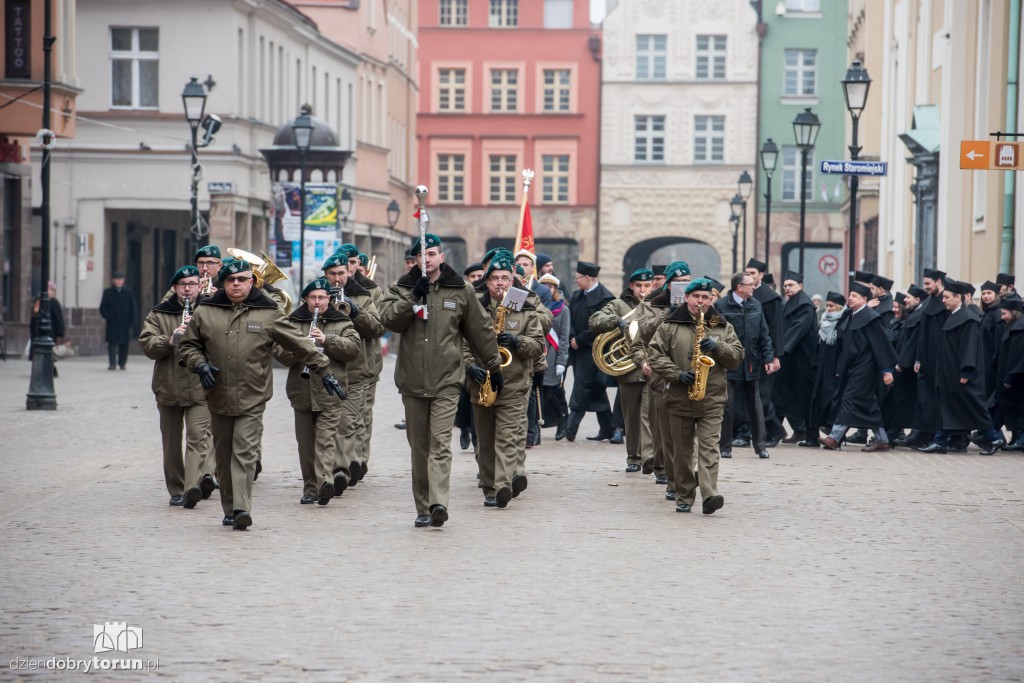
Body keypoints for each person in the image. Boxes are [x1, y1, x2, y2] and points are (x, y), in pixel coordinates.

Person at [180, 258, 345, 530]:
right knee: (223, 454)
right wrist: (198, 363)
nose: (236, 284)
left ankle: (242, 509)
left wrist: (324, 370)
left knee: (244, 452)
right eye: (231, 280)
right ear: (223, 283)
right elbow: (188, 346)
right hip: (217, 393)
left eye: (242, 279)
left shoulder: (268, 311)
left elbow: (300, 344)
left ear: (251, 282)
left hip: (252, 395)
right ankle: (230, 507)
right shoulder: (206, 311)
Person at [379, 233, 502, 528]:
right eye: (423, 254)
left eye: (433, 253)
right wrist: (412, 297)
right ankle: (422, 506)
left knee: (440, 444)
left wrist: (493, 365)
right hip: (411, 381)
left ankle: (438, 503)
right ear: (415, 259)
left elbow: (480, 329)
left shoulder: (460, 289)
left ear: (442, 257)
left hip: (447, 380)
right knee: (419, 447)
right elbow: (388, 320)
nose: (428, 259)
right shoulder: (402, 287)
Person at [647, 278, 743, 515]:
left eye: (705, 298)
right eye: (696, 297)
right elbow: (655, 355)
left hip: (712, 398)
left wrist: (718, 348)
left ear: (711, 300)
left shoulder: (722, 326)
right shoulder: (669, 325)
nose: (701, 302)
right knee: (682, 452)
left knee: (709, 448)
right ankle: (684, 496)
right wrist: (677, 374)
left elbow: (738, 355)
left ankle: (710, 494)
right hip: (680, 397)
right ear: (687, 298)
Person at [463, 254, 545, 507]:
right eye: (495, 279)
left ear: (513, 281)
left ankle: (502, 486)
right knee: (485, 441)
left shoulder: (525, 308)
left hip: (513, 383)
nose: (500, 284)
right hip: (481, 383)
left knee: (507, 438)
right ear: (487, 283)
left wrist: (517, 342)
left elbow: (538, 344)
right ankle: (488, 487)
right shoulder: (473, 308)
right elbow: (461, 343)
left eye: (505, 279)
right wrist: (470, 366)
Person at [273, 278, 361, 505]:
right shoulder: (292, 321)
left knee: (326, 440)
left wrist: (327, 340)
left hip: (330, 391)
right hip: (301, 391)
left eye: (322, 298)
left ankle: (324, 483)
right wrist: (302, 347)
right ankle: (310, 487)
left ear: (329, 299)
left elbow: (353, 349)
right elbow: (280, 353)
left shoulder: (341, 320)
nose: (317, 302)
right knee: (306, 444)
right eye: (313, 298)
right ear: (305, 299)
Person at [138, 266, 216, 508]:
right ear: (174, 288)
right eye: (182, 284)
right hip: (168, 387)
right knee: (171, 443)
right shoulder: (158, 314)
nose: (187, 289)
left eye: (192, 284)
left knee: (197, 438)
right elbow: (148, 344)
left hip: (199, 388)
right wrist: (170, 339)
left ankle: (192, 487)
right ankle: (176, 488)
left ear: (199, 286)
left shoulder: (211, 311)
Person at [918, 280, 1005, 455]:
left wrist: (966, 371)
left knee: (974, 407)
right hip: (949, 373)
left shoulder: (968, 319)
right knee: (946, 406)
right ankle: (939, 441)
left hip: (963, 375)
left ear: (958, 298)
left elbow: (969, 348)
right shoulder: (953, 316)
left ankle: (994, 439)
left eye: (947, 297)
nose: (944, 301)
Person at [631, 262, 693, 493]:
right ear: (668, 284)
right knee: (664, 431)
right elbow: (641, 332)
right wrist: (669, 313)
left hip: (692, 374)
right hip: (661, 376)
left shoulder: (700, 301)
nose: (683, 286)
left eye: (686, 281)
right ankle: (667, 475)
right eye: (678, 283)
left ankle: (686, 474)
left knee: (688, 432)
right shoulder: (651, 304)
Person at [589, 268, 655, 472]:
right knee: (631, 417)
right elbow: (595, 321)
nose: (643, 290)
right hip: (627, 371)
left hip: (651, 369)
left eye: (647, 286)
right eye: (638, 286)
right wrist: (616, 322)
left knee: (647, 415)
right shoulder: (619, 305)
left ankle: (648, 457)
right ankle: (633, 458)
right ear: (631, 286)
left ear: (652, 286)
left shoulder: (658, 306)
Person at [818, 283, 898, 451]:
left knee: (849, 399)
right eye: (850, 295)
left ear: (864, 299)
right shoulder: (850, 316)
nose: (850, 298)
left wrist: (886, 370)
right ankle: (882, 440)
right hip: (851, 368)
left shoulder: (870, 318)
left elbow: (881, 345)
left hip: (865, 369)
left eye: (854, 296)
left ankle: (834, 437)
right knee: (868, 405)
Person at [716, 271, 774, 459]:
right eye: (750, 284)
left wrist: (768, 357)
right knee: (728, 405)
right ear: (739, 287)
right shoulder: (721, 306)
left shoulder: (755, 305)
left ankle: (760, 446)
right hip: (729, 362)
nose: (754, 287)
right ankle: (725, 446)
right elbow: (716, 334)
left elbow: (764, 334)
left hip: (751, 361)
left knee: (756, 406)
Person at [564, 261, 615, 442]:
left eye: (577, 278)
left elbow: (602, 327)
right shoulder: (577, 295)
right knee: (595, 390)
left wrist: (580, 339)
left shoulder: (606, 298)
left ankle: (570, 427)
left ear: (587, 278)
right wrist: (572, 337)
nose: (575, 281)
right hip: (577, 349)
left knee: (582, 386)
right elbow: (569, 319)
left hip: (595, 350)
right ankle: (608, 429)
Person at [744, 259, 786, 446]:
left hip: (765, 352)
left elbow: (776, 327)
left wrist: (775, 355)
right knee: (751, 394)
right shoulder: (744, 293)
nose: (750, 276)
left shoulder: (770, 297)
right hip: (749, 352)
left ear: (761, 275)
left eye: (753, 273)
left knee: (762, 395)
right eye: (747, 273)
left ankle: (776, 430)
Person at [776, 271, 818, 444]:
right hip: (791, 358)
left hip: (803, 359)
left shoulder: (805, 306)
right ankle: (797, 431)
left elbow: (797, 330)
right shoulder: (790, 303)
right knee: (784, 394)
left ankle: (812, 436)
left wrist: (780, 350)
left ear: (800, 286)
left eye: (791, 285)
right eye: (785, 286)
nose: (787, 288)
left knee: (805, 397)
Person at [802, 291, 846, 446]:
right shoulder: (824, 321)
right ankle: (813, 437)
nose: (828, 309)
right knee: (817, 398)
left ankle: (834, 434)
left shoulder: (843, 322)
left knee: (831, 399)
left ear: (839, 307)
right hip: (821, 366)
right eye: (827, 305)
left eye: (832, 306)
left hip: (834, 368)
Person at [456, 263, 485, 450]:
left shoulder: (485, 296)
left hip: (479, 356)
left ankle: (476, 437)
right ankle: (463, 429)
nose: (476, 279)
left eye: (479, 275)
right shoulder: (462, 294)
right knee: (462, 400)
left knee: (477, 400)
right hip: (460, 356)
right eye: (473, 276)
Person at [539, 273, 570, 439]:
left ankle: (562, 418)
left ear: (556, 289)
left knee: (551, 392)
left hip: (553, 356)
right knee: (538, 392)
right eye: (544, 286)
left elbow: (564, 338)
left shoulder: (563, 309)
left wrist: (562, 361)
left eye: (551, 286)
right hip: (537, 353)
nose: (548, 289)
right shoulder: (536, 306)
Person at [992, 297, 1024, 450]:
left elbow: (1017, 356)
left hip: (1017, 377)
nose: (1002, 317)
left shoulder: (1019, 329)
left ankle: (1020, 439)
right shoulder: (1012, 326)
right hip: (1010, 375)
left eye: (1005, 313)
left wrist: (1011, 375)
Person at [99, 272, 138, 370]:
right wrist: (108, 316)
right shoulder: (108, 292)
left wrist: (133, 322)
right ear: (113, 281)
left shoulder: (129, 292)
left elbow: (133, 307)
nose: (119, 281)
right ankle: (112, 363)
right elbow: (103, 307)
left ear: (123, 281)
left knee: (124, 343)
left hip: (125, 322)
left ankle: (122, 363)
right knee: (112, 343)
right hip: (112, 322)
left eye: (121, 279)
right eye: (117, 279)